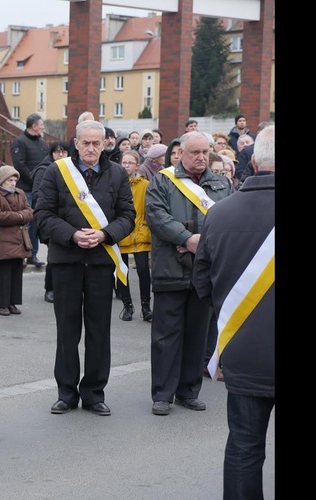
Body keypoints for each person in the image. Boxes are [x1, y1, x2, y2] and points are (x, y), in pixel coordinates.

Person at [193, 125, 274, 500]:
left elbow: (202, 282)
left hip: (241, 351)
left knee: (243, 446)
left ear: (254, 162)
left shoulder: (220, 213)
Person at [35, 119, 135, 417]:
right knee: (67, 330)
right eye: (85, 143)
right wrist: (73, 234)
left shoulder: (116, 173)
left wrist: (105, 234)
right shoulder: (57, 171)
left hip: (101, 262)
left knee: (98, 330)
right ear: (75, 144)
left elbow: (128, 215)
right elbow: (43, 214)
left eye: (97, 142)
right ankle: (66, 392)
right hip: (66, 261)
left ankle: (94, 393)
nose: (91, 148)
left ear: (106, 143)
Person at [144, 131, 233, 417]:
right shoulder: (162, 180)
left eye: (205, 152)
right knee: (165, 335)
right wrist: (186, 238)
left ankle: (188, 391)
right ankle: (162, 394)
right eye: (195, 152)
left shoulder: (222, 184)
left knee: (198, 334)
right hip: (170, 268)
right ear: (181, 153)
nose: (201, 157)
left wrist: (200, 243)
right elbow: (157, 216)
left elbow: (228, 220)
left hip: (205, 270)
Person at [0, 164, 34, 316]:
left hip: (19, 239)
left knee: (16, 273)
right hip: (2, 240)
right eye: (10, 180)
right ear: (2, 181)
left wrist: (20, 215)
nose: (13, 183)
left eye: (15, 180)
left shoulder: (20, 193)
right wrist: (20, 216)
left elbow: (30, 212)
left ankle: (12, 303)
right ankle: (1, 304)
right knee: (2, 273)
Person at [31, 141, 70, 303]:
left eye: (64, 152)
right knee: (54, 256)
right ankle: (50, 288)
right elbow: (36, 194)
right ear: (51, 154)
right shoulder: (45, 169)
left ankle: (63, 287)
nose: (61, 155)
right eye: (57, 152)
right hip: (51, 219)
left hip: (68, 219)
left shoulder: (71, 169)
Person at [116, 149, 152, 322]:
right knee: (122, 272)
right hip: (122, 232)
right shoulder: (117, 183)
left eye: (130, 163)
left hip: (140, 233)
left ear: (137, 165)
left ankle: (146, 307)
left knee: (144, 271)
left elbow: (149, 208)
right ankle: (127, 306)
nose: (127, 166)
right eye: (124, 162)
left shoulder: (145, 185)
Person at [10, 113, 49, 268]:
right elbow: (19, 165)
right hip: (26, 189)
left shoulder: (41, 143)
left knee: (36, 223)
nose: (43, 127)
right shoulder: (19, 142)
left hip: (39, 189)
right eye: (41, 124)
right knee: (25, 223)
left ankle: (33, 255)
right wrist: (35, 181)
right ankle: (23, 255)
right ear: (34, 126)